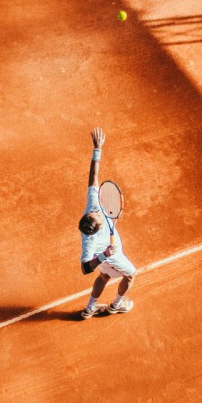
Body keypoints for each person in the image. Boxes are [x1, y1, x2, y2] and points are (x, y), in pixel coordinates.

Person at [77, 127, 136, 319]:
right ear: (98, 227)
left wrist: (97, 149)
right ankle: (116, 305)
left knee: (104, 276)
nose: (99, 211)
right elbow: (85, 268)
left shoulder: (92, 207)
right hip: (110, 257)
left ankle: (89, 309)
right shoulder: (90, 241)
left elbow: (93, 177)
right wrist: (104, 256)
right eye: (99, 216)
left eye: (95, 212)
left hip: (103, 257)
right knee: (130, 275)